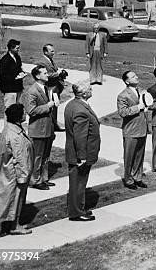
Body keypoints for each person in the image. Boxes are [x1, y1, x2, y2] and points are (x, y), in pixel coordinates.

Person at [64, 82, 100, 221]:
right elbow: (80, 136)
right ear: (84, 94)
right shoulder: (80, 110)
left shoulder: (73, 104)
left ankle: (79, 208)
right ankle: (77, 212)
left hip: (76, 152)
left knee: (78, 183)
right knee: (78, 183)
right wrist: (82, 156)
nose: (92, 91)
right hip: (80, 154)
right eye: (90, 89)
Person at [0, 103, 34, 236]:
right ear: (18, 117)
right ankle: (14, 226)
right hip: (15, 174)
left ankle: (9, 225)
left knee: (10, 200)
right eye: (23, 113)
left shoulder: (11, 129)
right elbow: (20, 158)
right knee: (16, 200)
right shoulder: (16, 136)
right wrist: (23, 177)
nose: (26, 114)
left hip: (8, 172)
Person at [117, 71, 148, 189]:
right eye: (133, 77)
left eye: (136, 76)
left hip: (142, 128)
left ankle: (138, 177)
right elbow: (122, 112)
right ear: (127, 81)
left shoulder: (141, 92)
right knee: (129, 156)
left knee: (140, 156)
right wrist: (138, 107)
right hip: (131, 130)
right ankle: (128, 179)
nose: (137, 77)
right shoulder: (123, 95)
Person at [0, 39, 27, 108]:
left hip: (18, 88)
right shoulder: (4, 60)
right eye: (17, 48)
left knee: (18, 110)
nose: (18, 49)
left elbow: (19, 68)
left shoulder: (17, 57)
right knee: (9, 110)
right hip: (9, 89)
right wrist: (15, 78)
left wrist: (22, 73)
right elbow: (1, 76)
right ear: (11, 48)